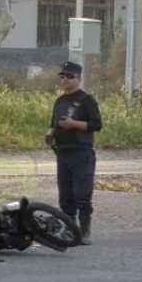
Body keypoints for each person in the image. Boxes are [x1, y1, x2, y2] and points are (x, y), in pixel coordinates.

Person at [45, 61, 102, 245]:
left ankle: (84, 231)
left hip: (81, 152)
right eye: (62, 76)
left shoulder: (86, 100)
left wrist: (74, 124)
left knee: (82, 195)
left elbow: (96, 125)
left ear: (78, 78)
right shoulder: (60, 101)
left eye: (70, 76)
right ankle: (69, 229)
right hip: (63, 152)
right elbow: (54, 123)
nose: (65, 80)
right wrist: (51, 134)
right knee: (65, 196)